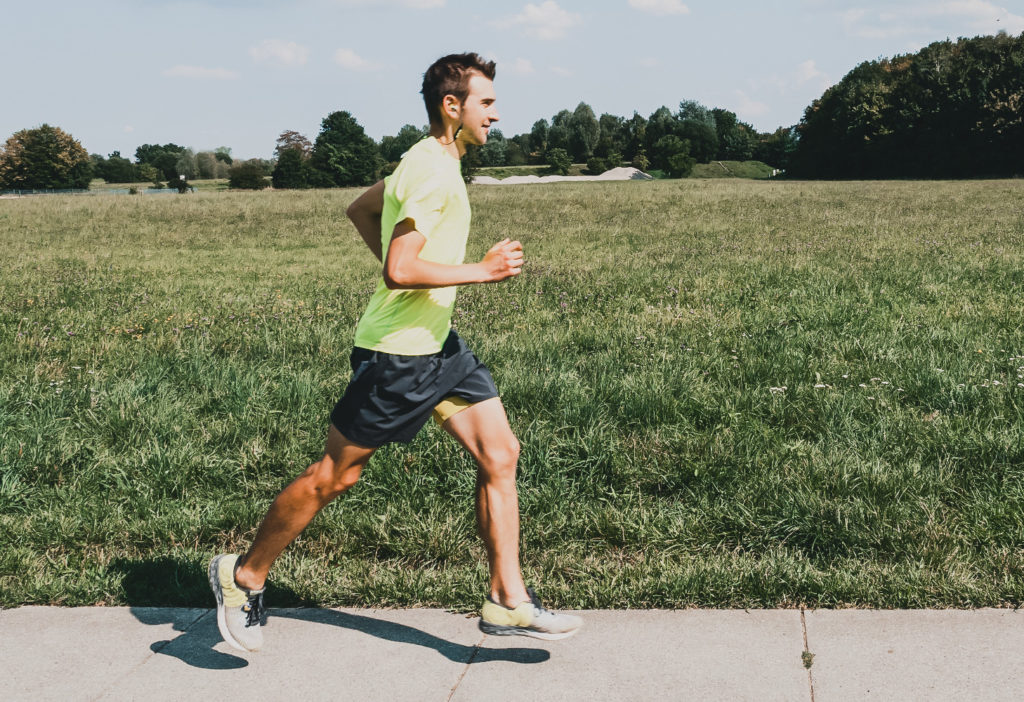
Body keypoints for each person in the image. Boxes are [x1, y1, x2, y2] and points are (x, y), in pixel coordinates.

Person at [209, 52, 582, 653]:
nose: (496, 113)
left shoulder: (427, 158)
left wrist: (407, 268)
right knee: (335, 476)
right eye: (486, 102)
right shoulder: (432, 172)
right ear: (451, 106)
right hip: (398, 355)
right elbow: (399, 269)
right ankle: (242, 575)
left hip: (441, 347)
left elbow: (362, 209)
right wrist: (482, 272)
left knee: (500, 452)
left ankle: (507, 598)